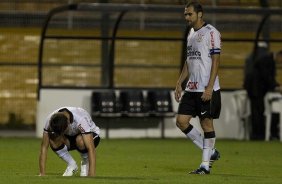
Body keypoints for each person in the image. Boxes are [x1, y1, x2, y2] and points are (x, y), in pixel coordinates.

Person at [174, 1, 221, 174]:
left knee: (206, 124)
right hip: (192, 88)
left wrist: (209, 87)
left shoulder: (211, 33)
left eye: (189, 14)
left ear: (200, 14)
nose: (186, 17)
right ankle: (211, 152)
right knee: (181, 121)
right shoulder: (190, 33)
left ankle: (205, 165)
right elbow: (189, 60)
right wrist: (180, 82)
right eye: (185, 14)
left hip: (206, 88)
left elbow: (216, 61)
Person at [38, 107, 100, 177]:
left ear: (68, 123)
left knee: (80, 141)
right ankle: (72, 164)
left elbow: (90, 148)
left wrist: (91, 174)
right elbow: (44, 147)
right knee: (53, 139)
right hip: (72, 137)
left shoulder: (81, 119)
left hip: (91, 135)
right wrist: (42, 173)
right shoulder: (50, 120)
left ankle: (85, 163)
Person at [244, 48, 282, 140]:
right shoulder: (267, 60)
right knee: (257, 112)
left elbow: (266, 76)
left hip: (255, 89)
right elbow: (266, 76)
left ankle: (258, 134)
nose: (280, 63)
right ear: (279, 56)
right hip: (255, 89)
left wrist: (275, 85)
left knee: (258, 111)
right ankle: (257, 135)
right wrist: (276, 86)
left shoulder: (267, 59)